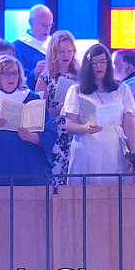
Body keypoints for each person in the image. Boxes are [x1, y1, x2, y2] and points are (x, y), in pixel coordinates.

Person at [0, 55, 57, 185]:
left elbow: (50, 133)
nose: (11, 77)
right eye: (6, 73)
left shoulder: (33, 99)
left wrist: (33, 137)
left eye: (15, 73)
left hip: (28, 166)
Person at [63, 44, 135, 185]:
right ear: (88, 65)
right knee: (85, 194)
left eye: (103, 62)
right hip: (86, 149)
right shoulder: (76, 90)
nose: (99, 66)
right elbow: (69, 125)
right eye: (95, 63)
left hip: (114, 149)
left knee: (115, 193)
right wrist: (85, 128)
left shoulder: (122, 89)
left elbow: (130, 125)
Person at [35, 31, 79, 187]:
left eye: (69, 51)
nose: (66, 55)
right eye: (61, 51)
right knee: (57, 178)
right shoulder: (45, 79)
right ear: (53, 53)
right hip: (56, 133)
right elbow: (37, 113)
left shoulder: (80, 77)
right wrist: (54, 111)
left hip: (78, 131)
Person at [13, 4, 53, 90]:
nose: (47, 29)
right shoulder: (17, 47)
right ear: (31, 22)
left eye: (50, 25)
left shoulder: (54, 43)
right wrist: (34, 73)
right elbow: (16, 78)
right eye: (44, 25)